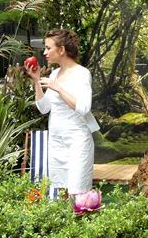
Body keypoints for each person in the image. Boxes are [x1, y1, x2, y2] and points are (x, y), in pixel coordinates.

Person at [25, 29, 99, 196]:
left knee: (78, 193)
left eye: (48, 48)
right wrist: (37, 80)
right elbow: (44, 108)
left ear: (62, 50)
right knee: (63, 192)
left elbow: (84, 107)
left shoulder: (81, 73)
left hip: (77, 142)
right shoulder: (54, 73)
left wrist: (58, 88)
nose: (44, 52)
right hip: (57, 142)